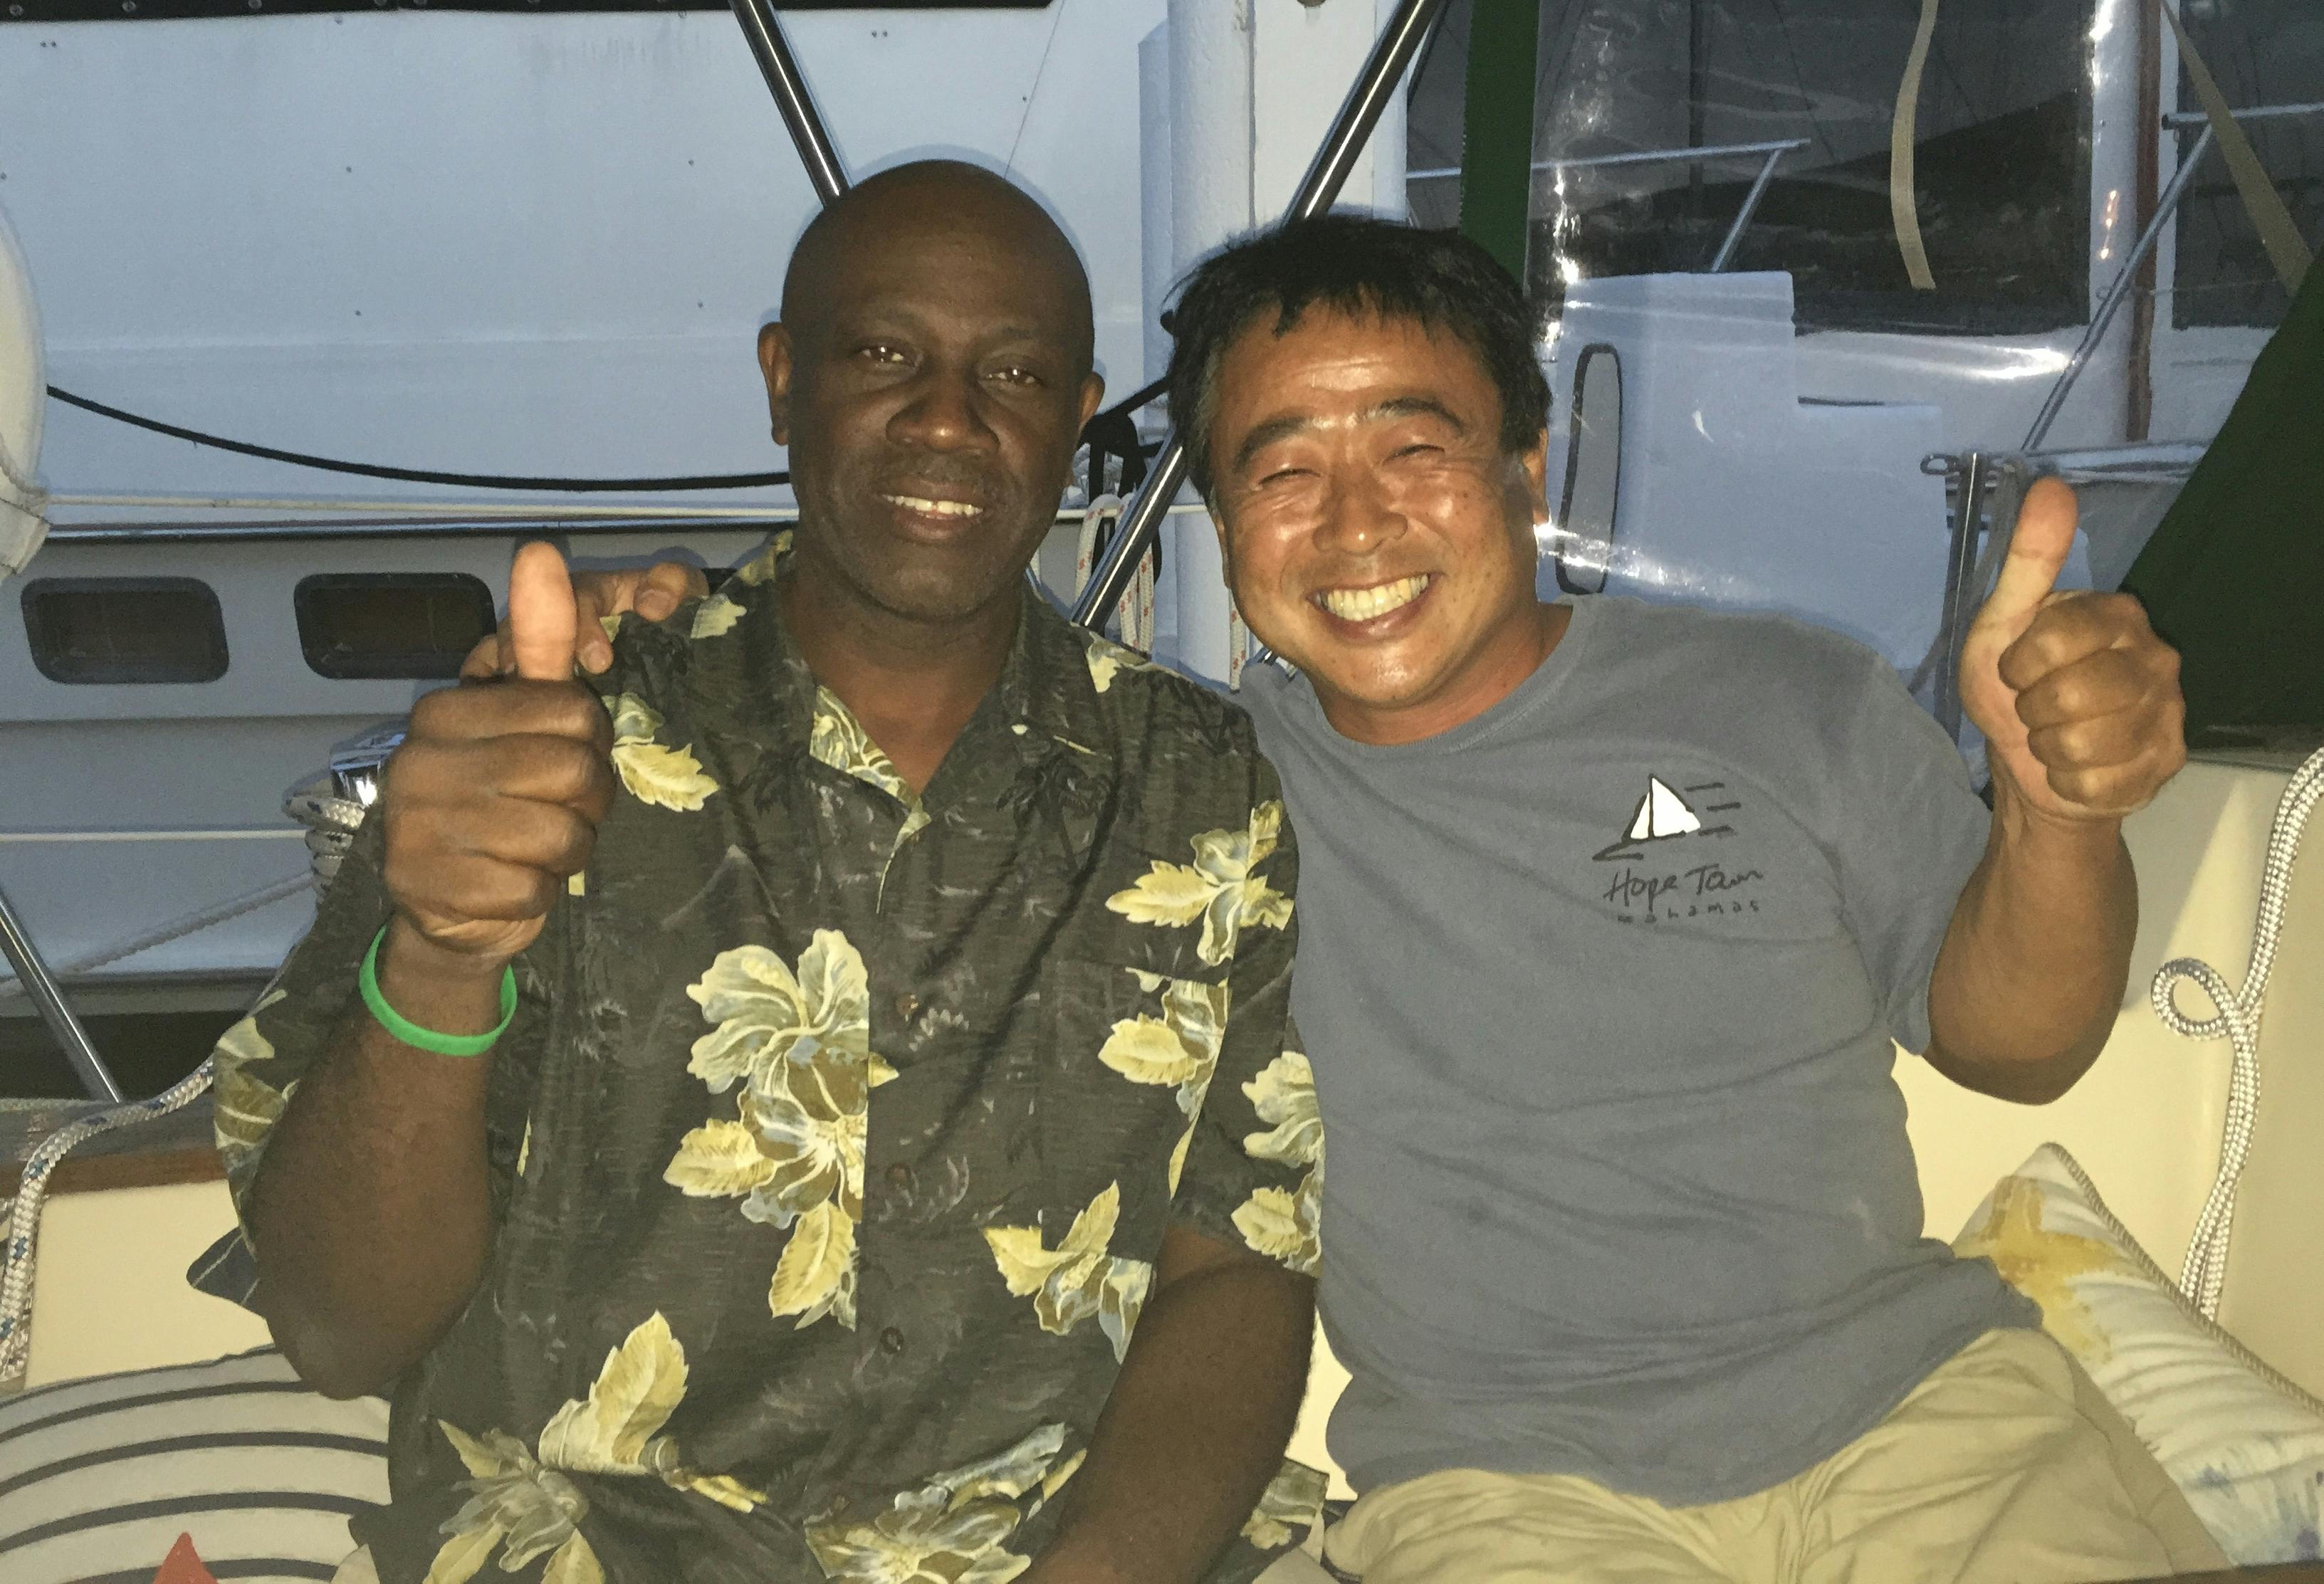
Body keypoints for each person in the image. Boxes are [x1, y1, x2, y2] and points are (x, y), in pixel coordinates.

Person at [562, 214, 2224, 1583]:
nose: (1356, 526)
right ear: (1224, 525)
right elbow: (897, 710)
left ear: (1526, 464)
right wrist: (662, 637)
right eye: (1282, 473)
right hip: (1507, 1494)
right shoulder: (1198, 797)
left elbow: (2018, 1047)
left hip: (1921, 1419)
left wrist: (2060, 816)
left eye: (1415, 448)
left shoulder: (1787, 701)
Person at [211, 161, 1329, 1584]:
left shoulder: (1200, 788)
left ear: (1075, 417)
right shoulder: (546, 748)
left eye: (1016, 373)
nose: (948, 417)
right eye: (884, 356)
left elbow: (1239, 1259)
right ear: (783, 381)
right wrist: (439, 954)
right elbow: (335, 1330)